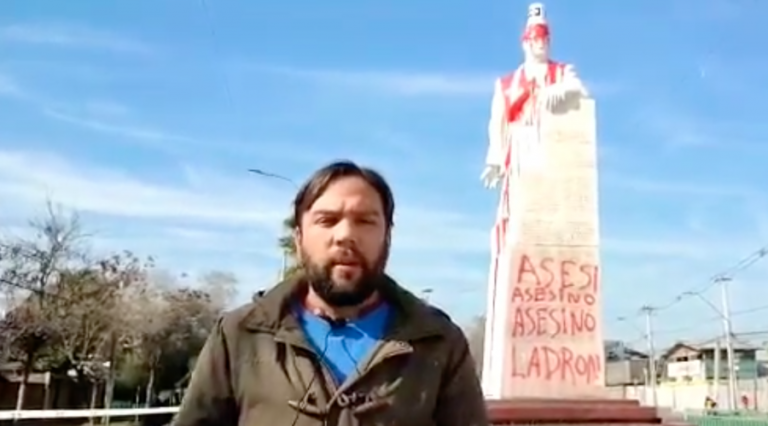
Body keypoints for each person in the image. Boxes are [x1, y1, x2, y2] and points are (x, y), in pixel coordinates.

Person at [173, 160, 489, 426]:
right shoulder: (241, 335)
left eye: (365, 221)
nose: (345, 236)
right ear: (298, 238)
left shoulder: (438, 342)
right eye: (327, 220)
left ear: (387, 238)